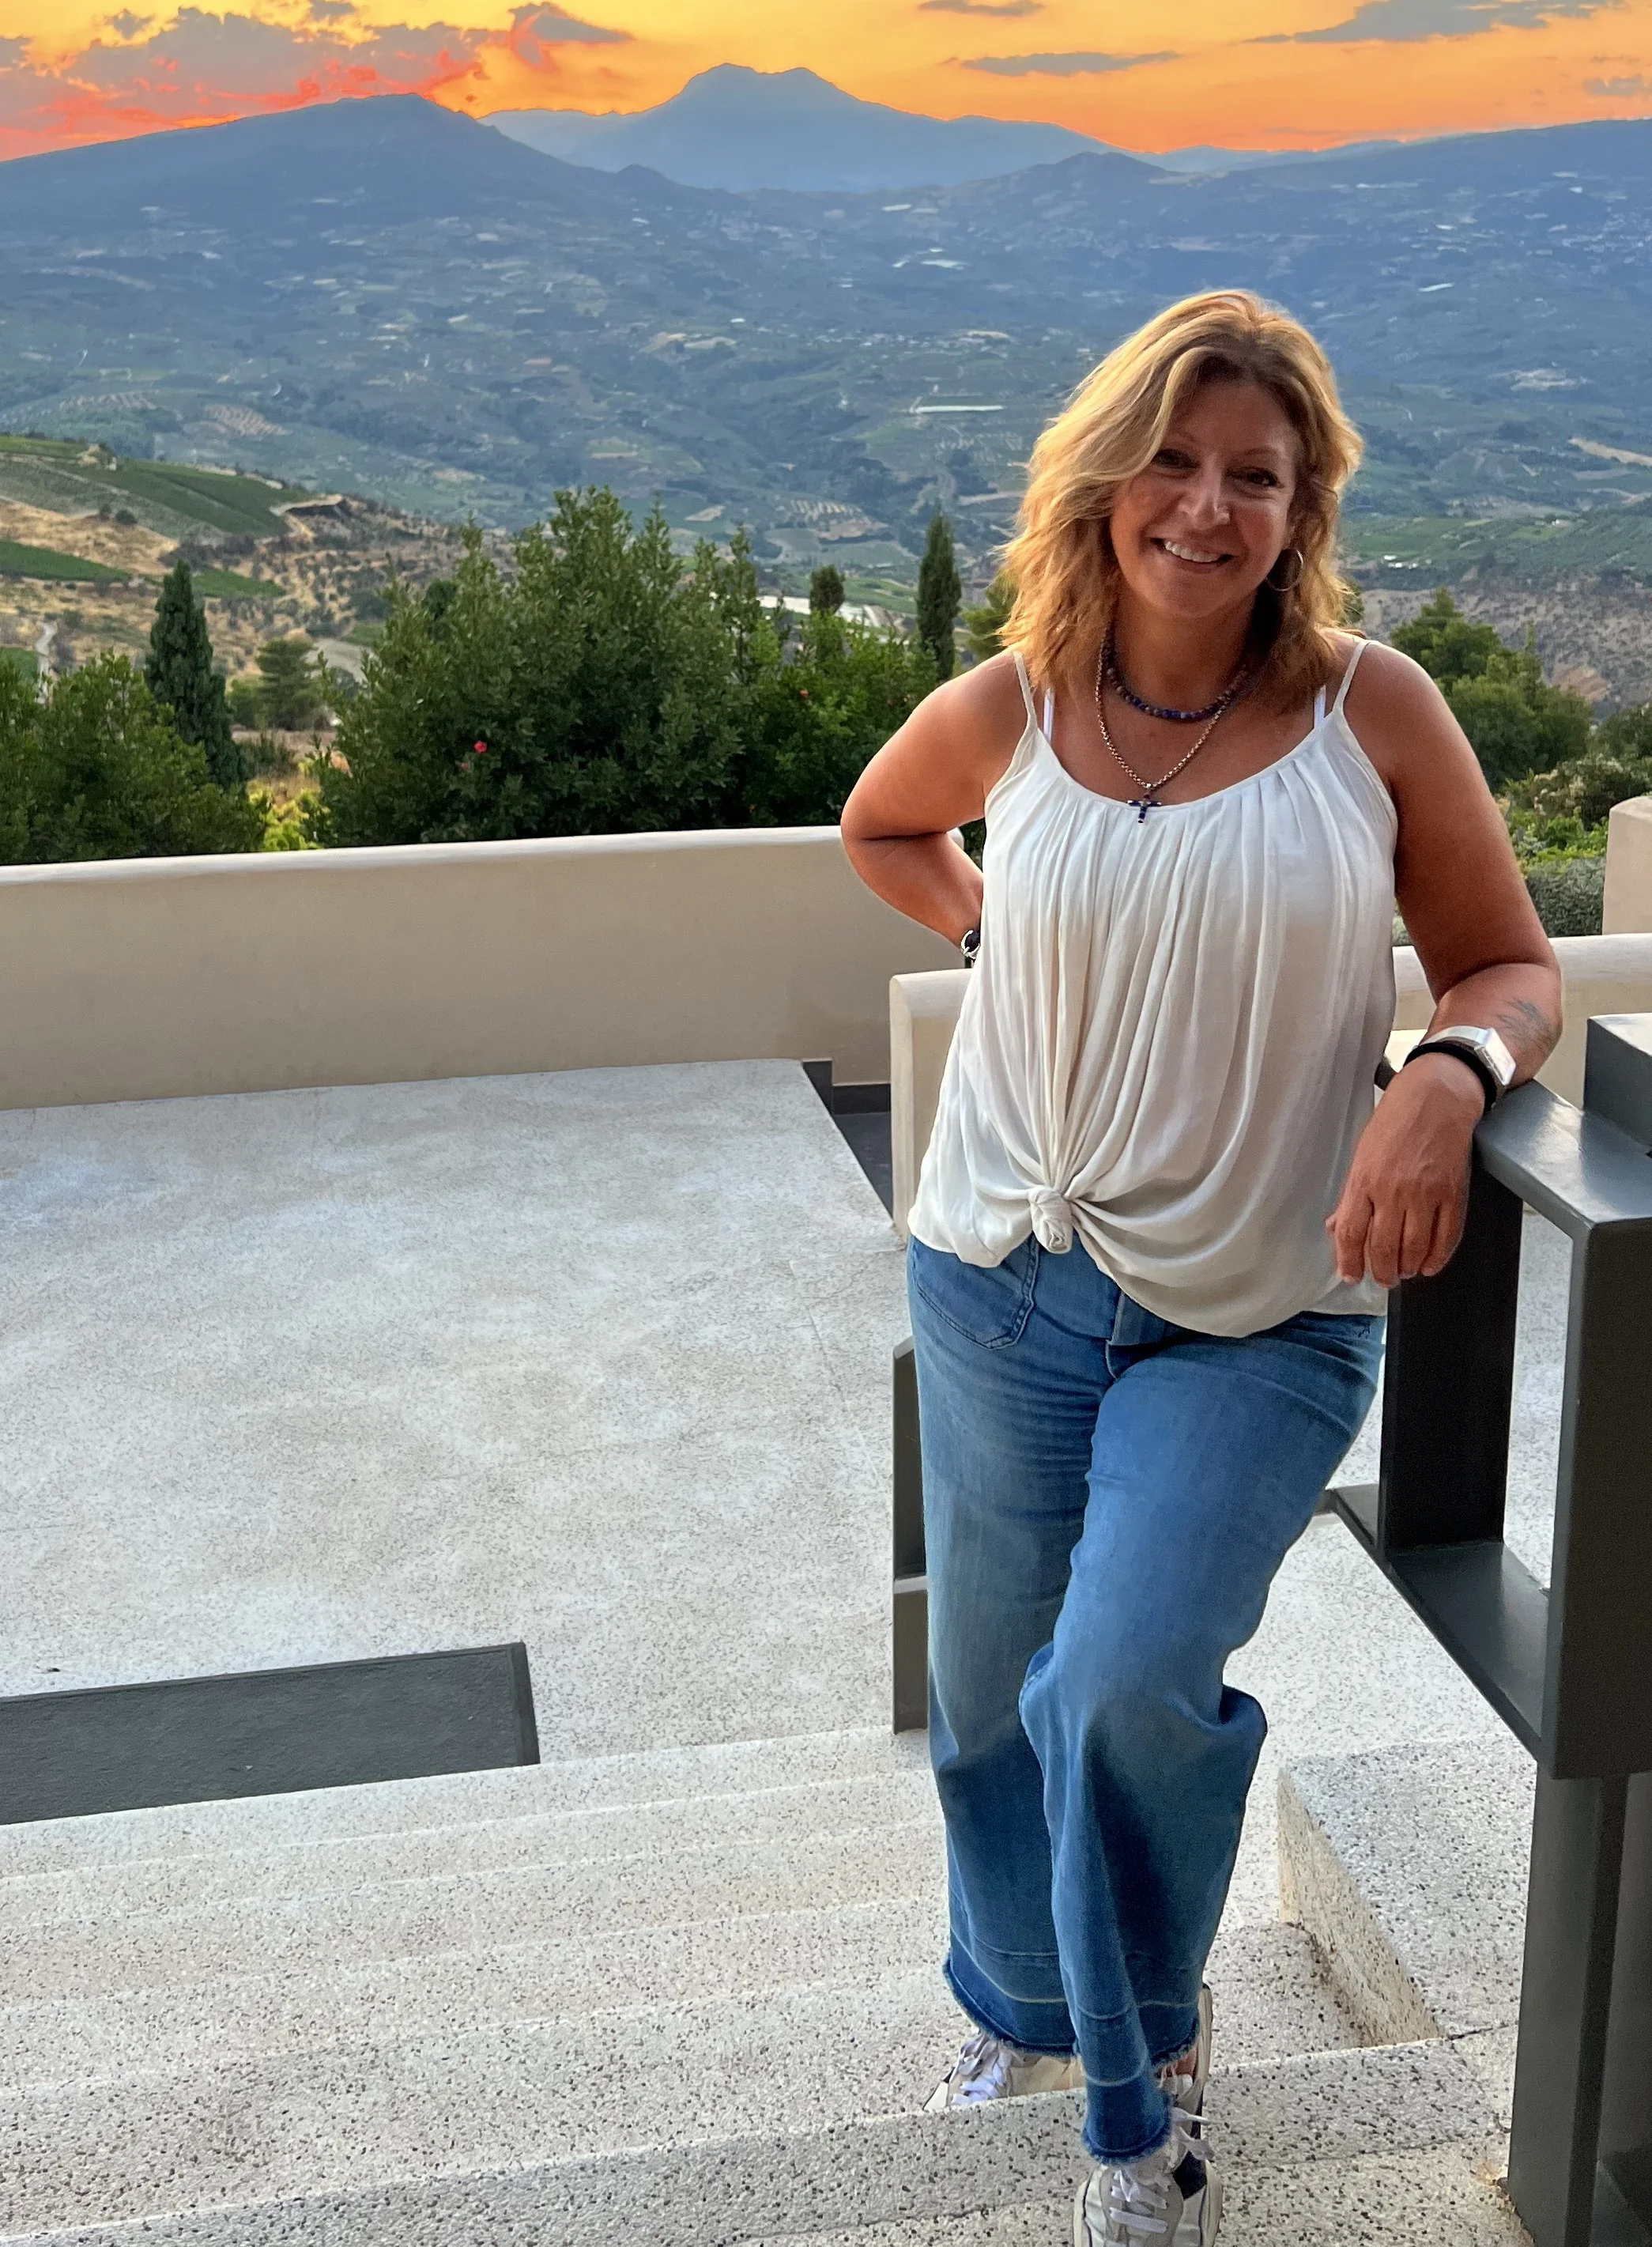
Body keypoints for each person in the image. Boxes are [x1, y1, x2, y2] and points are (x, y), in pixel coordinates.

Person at [839, 290, 1560, 2246]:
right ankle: (1016, 1999)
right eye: (1170, 457)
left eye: (1254, 472)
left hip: (1253, 1310)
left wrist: (1445, 1071)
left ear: (1300, 504)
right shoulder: (1019, 697)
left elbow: (1510, 964)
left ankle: (1135, 2090)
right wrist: (989, 916)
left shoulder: (1368, 709)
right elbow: (881, 824)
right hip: (1000, 1271)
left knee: (1121, 1679)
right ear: (1104, 478)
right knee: (990, 1693)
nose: (1205, 503)